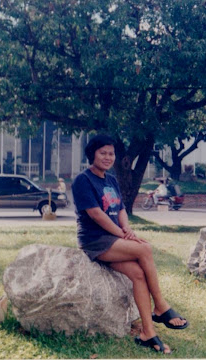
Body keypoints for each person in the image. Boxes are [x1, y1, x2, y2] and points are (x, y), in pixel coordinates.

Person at [71, 134, 188, 354]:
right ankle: (161, 306)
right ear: (92, 154)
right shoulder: (83, 181)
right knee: (145, 248)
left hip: (114, 238)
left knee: (137, 273)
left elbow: (121, 209)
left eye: (111, 153)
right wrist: (123, 236)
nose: (108, 157)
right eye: (103, 153)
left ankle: (148, 332)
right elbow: (96, 214)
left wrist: (127, 231)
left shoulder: (111, 179)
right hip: (95, 240)